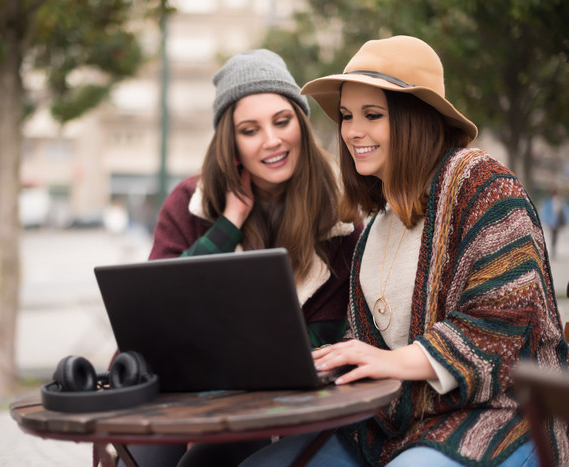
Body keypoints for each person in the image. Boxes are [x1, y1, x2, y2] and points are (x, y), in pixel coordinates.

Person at [240, 35, 569, 466]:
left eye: (372, 115)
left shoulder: (483, 185)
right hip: (388, 427)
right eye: (346, 116)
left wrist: (385, 360)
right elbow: (364, 348)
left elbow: (498, 327)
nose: (353, 130)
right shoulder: (376, 223)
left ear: (415, 117)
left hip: (500, 417)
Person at [119, 49, 363, 467]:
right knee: (140, 459)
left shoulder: (341, 214)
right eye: (250, 130)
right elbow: (158, 308)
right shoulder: (188, 203)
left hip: (296, 409)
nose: (271, 140)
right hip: (185, 397)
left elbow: (339, 333)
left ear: (301, 125)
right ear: (231, 143)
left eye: (282, 121)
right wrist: (228, 223)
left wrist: (259, 357)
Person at [540, 187, 569, 259]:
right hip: (551, 222)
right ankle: (553, 249)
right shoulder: (548, 201)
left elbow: (565, 211)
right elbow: (545, 211)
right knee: (553, 235)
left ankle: (553, 249)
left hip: (558, 222)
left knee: (555, 235)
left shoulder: (561, 201)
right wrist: (546, 220)